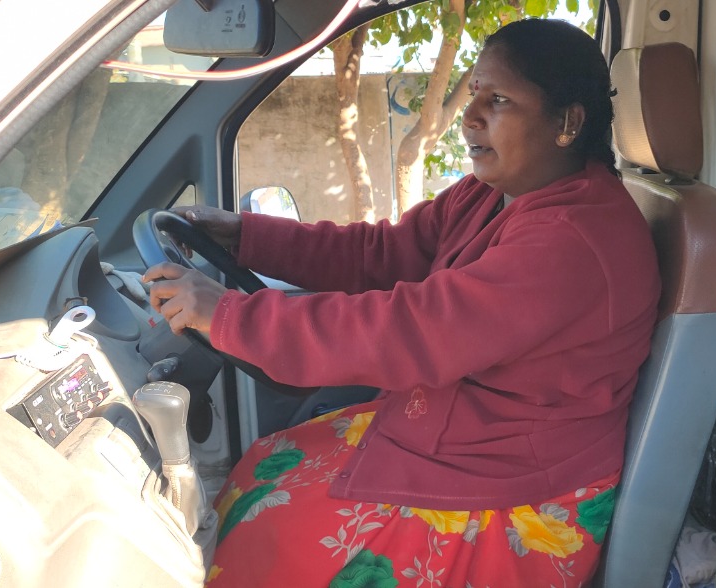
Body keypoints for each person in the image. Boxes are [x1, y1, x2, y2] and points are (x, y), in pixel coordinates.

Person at [143, 18, 659, 587]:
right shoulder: (495, 194)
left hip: (515, 484)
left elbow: (412, 330)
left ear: (568, 122)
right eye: (473, 94)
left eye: (499, 100)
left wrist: (228, 315)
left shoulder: (575, 239)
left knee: (269, 546)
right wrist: (246, 236)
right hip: (461, 434)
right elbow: (382, 254)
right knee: (263, 467)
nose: (469, 116)